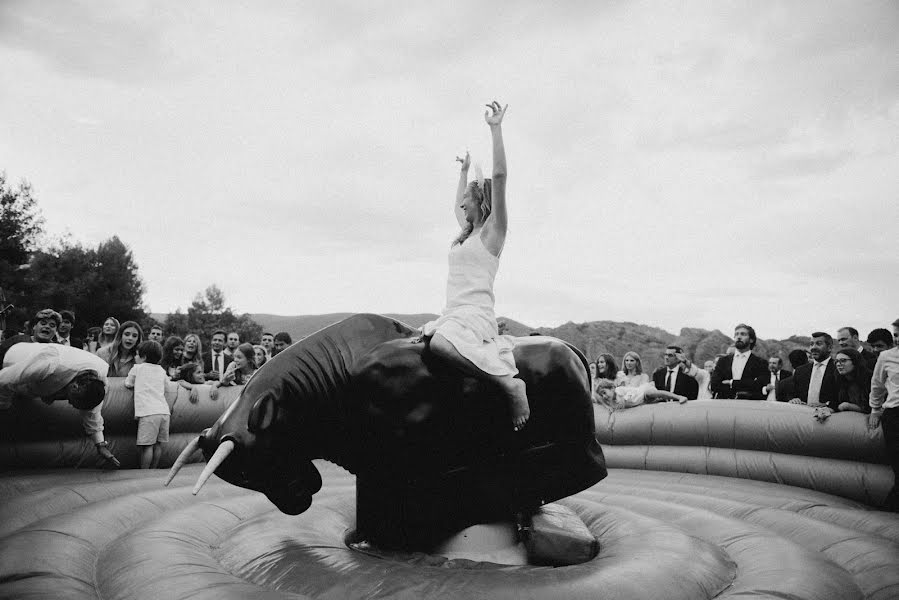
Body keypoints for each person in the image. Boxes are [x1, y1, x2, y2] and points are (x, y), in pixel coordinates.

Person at [420, 101, 528, 431]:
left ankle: (509, 384)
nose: (461, 203)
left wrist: (495, 129)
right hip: (452, 314)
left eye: (466, 198)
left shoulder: (493, 233)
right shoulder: (465, 235)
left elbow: (500, 176)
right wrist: (464, 172)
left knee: (439, 343)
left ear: (478, 200)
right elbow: (456, 202)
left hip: (475, 316)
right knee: (427, 340)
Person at [0, 341, 120, 467]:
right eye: (72, 401)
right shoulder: (49, 365)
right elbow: (4, 379)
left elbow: (92, 414)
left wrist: (100, 444)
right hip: (10, 356)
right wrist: (5, 407)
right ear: (74, 386)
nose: (69, 403)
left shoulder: (98, 384)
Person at [869, 318, 899, 512]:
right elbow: (877, 385)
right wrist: (875, 409)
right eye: (896, 335)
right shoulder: (887, 356)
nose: (897, 339)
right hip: (895, 415)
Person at [124, 340, 170, 469]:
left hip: (148, 413)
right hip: (164, 411)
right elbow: (167, 386)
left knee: (147, 446)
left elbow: (128, 383)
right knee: (158, 444)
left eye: (137, 355)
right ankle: (153, 470)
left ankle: (144, 473)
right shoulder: (161, 370)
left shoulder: (137, 368)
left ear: (143, 357)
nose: (135, 357)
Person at [710, 324, 769, 399]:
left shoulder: (761, 363)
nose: (739, 337)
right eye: (736, 334)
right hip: (725, 405)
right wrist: (747, 384)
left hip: (749, 405)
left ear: (751, 339)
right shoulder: (723, 361)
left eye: (743, 334)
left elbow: (759, 386)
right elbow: (714, 385)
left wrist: (731, 383)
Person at [789, 332, 837, 406]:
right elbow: (793, 395)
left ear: (829, 348)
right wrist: (794, 399)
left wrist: (827, 404)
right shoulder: (800, 371)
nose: (813, 347)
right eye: (811, 344)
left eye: (819, 344)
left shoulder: (838, 369)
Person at [593, 378, 687, 410]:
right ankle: (660, 400)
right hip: (642, 402)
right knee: (656, 401)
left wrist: (624, 399)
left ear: (612, 388)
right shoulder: (609, 402)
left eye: (604, 392)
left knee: (654, 393)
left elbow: (627, 394)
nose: (604, 396)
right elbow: (596, 399)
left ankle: (678, 397)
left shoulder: (619, 391)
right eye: (602, 395)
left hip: (643, 392)